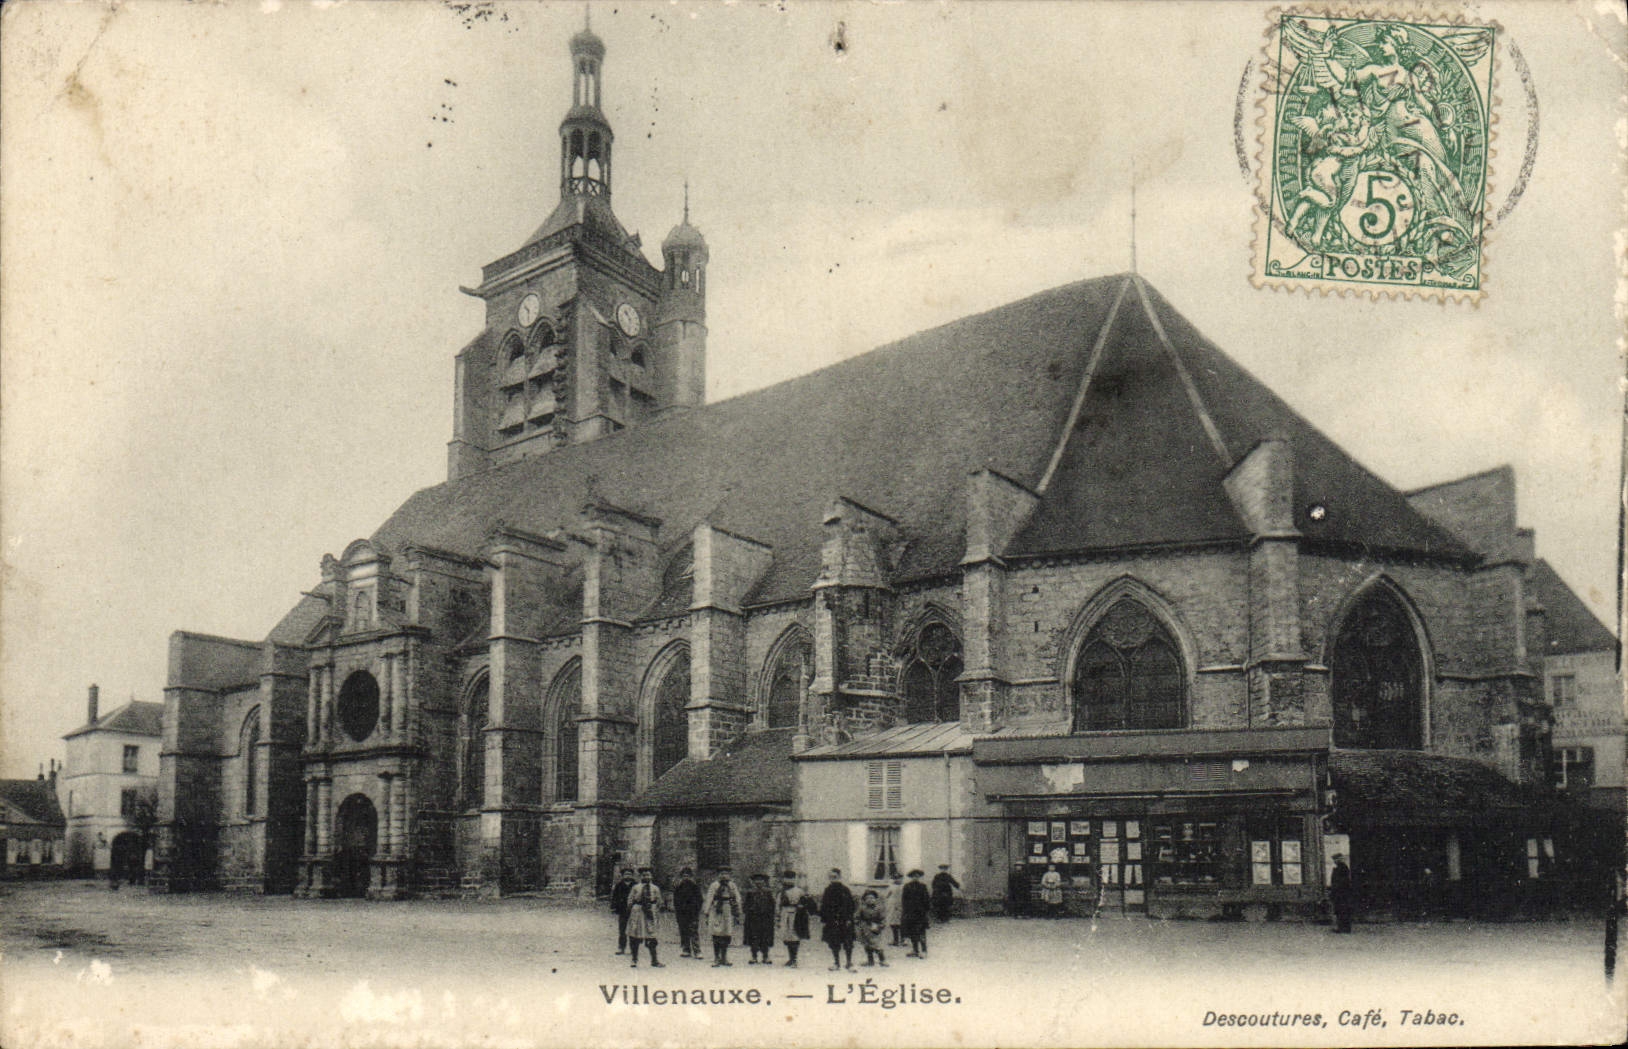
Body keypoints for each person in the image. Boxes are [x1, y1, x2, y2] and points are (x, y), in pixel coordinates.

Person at [702, 867, 743, 967]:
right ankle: (717, 957)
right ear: (718, 875)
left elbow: (737, 898)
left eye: (726, 873)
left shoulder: (732, 885)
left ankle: (724, 957)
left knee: (726, 933)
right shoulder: (714, 885)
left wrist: (738, 911)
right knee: (716, 933)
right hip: (716, 909)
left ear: (729, 875)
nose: (724, 876)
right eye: (721, 874)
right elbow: (709, 897)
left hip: (728, 909)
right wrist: (706, 911)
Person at [625, 867, 664, 968]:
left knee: (652, 937)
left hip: (650, 913)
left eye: (648, 875)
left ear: (651, 876)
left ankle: (654, 960)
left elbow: (659, 901)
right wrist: (631, 910)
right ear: (640, 876)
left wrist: (656, 911)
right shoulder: (636, 887)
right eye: (644, 875)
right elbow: (630, 900)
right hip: (638, 912)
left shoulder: (655, 888)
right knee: (635, 936)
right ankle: (634, 959)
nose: (646, 877)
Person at [820, 867, 857, 971]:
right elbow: (824, 906)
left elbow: (850, 905)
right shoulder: (827, 890)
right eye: (830, 877)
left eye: (835, 877)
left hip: (845, 920)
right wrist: (824, 920)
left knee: (848, 942)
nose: (833, 879)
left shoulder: (845, 890)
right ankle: (836, 963)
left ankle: (849, 963)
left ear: (839, 877)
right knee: (833, 942)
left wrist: (849, 918)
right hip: (832, 921)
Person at [776, 870, 813, 967]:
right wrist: (778, 916)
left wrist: (802, 906)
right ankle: (790, 958)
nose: (789, 881)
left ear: (794, 879)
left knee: (795, 936)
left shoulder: (799, 891)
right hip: (785, 914)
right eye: (787, 878)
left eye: (791, 878)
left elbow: (806, 902)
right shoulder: (781, 892)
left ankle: (794, 959)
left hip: (796, 915)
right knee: (787, 937)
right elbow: (778, 905)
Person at [743, 872, 777, 964]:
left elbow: (772, 905)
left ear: (764, 881)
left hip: (765, 918)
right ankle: (754, 956)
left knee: (765, 937)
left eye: (761, 880)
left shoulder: (768, 892)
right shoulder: (750, 893)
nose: (759, 882)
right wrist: (748, 911)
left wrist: (771, 915)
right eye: (757, 880)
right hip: (753, 918)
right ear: (753, 882)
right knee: (754, 937)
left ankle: (765, 956)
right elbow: (745, 905)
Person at [672, 867, 702, 959]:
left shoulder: (695, 887)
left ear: (691, 877)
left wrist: (696, 909)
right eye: (684, 876)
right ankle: (686, 949)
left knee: (694, 931)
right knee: (683, 930)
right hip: (682, 913)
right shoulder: (678, 887)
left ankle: (697, 951)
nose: (686, 878)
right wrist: (678, 911)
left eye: (688, 876)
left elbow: (700, 899)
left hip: (692, 913)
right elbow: (676, 900)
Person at [900, 868, 931, 957]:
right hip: (910, 913)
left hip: (921, 914)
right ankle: (915, 950)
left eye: (917, 876)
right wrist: (905, 912)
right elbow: (904, 900)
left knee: (921, 932)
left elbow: (927, 900)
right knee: (912, 932)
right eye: (913, 876)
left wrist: (925, 911)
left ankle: (924, 951)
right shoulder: (907, 886)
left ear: (919, 877)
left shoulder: (923, 886)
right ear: (911, 877)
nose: (915, 878)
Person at [857, 888, 889, 967]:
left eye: (872, 898)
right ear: (864, 900)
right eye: (867, 898)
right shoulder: (862, 908)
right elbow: (857, 917)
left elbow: (883, 919)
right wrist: (859, 923)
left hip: (875, 929)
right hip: (865, 929)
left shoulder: (878, 908)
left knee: (877, 945)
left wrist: (879, 926)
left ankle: (882, 960)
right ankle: (870, 961)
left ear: (875, 899)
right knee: (867, 945)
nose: (870, 900)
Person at [611, 867, 637, 955]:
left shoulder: (635, 885)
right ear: (622, 876)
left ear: (632, 876)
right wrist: (613, 907)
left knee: (633, 929)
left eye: (629, 874)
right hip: (622, 910)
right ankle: (621, 947)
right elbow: (614, 897)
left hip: (634, 910)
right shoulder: (619, 885)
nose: (627, 876)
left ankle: (633, 948)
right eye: (626, 874)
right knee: (622, 930)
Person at [1330, 853, 1355, 933]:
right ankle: (1344, 928)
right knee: (1342, 911)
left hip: (1341, 893)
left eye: (1335, 860)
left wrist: (1335, 891)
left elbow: (1339, 882)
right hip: (1342, 893)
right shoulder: (1342, 868)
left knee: (1342, 911)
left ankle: (1343, 928)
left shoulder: (1341, 868)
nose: (1334, 862)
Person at [883, 873, 905, 945]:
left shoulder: (904, 887)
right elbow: (886, 896)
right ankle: (896, 940)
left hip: (901, 905)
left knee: (902, 923)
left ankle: (902, 940)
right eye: (896, 878)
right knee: (893, 923)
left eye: (900, 878)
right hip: (892, 905)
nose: (898, 880)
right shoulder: (891, 887)